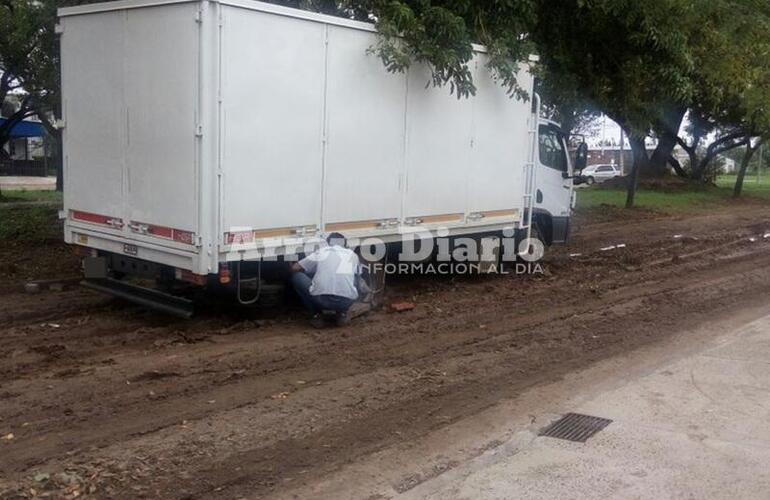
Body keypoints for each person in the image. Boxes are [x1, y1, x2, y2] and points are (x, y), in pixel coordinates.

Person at [291, 232, 360, 328]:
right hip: (346, 302)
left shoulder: (321, 252)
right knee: (355, 278)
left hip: (321, 300)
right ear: (344, 244)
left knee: (297, 277)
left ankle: (316, 316)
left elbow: (295, 268)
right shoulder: (353, 255)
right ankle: (342, 315)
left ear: (328, 243)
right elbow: (357, 276)